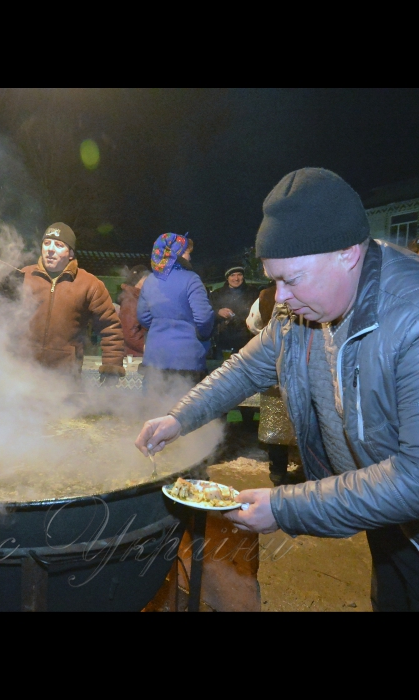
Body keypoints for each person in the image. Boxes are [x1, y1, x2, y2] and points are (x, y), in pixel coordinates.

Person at [136, 167, 419, 612]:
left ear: (347, 253)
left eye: (291, 279)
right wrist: (180, 417)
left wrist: (286, 507)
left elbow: (415, 478)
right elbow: (246, 367)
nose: (279, 298)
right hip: (388, 517)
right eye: (273, 280)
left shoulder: (412, 316)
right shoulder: (300, 313)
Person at [22, 223, 125, 381]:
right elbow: (0, 318)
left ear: (70, 253)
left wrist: (111, 367)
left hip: (65, 377)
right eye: (47, 243)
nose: (50, 249)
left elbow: (110, 328)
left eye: (58, 245)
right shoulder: (24, 277)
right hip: (21, 372)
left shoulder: (89, 285)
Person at [137, 234, 215, 399]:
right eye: (187, 252)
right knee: (183, 415)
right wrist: (202, 334)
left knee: (152, 411)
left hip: (155, 358)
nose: (190, 256)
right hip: (186, 360)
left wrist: (161, 329)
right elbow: (204, 317)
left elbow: (143, 317)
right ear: (176, 253)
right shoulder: (192, 279)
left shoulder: (150, 281)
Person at [248, 285, 298, 486]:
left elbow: (252, 324)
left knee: (277, 423)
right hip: (300, 365)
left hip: (276, 364)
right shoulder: (313, 288)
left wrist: (266, 334)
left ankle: (278, 471)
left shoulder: (266, 295)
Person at [210, 267, 260, 359]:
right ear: (227, 277)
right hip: (223, 341)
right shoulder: (216, 294)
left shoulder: (254, 293)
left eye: (239, 274)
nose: (236, 278)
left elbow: (259, 316)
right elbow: (207, 313)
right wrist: (218, 312)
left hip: (247, 341)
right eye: (232, 275)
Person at [118, 266, 150, 359]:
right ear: (138, 282)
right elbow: (130, 334)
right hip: (134, 356)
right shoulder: (131, 301)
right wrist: (146, 348)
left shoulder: (139, 299)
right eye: (146, 280)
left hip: (136, 354)